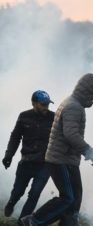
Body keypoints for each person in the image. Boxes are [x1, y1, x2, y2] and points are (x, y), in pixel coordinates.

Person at [20, 73, 93, 226]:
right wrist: (91, 153)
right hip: (60, 160)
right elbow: (71, 135)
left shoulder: (73, 104)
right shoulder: (73, 106)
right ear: (86, 91)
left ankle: (67, 223)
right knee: (68, 198)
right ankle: (32, 221)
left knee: (75, 197)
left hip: (67, 159)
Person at [2, 91, 54, 223]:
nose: (46, 107)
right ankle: (11, 203)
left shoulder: (54, 118)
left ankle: (22, 222)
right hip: (26, 162)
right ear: (34, 103)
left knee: (34, 195)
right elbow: (15, 137)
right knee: (18, 192)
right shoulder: (24, 116)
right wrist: (9, 155)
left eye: (47, 104)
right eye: (43, 104)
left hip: (45, 164)